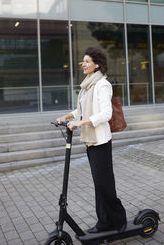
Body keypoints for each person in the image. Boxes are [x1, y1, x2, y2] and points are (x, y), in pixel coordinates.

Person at [56, 47, 127, 233]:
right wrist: (65, 117)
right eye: (83, 61)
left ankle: (119, 220)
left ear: (96, 65)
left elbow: (105, 114)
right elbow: (80, 109)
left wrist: (80, 123)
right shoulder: (87, 85)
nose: (83, 64)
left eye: (87, 61)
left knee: (104, 184)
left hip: (101, 141)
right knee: (99, 184)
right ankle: (104, 222)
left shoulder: (102, 85)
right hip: (91, 141)